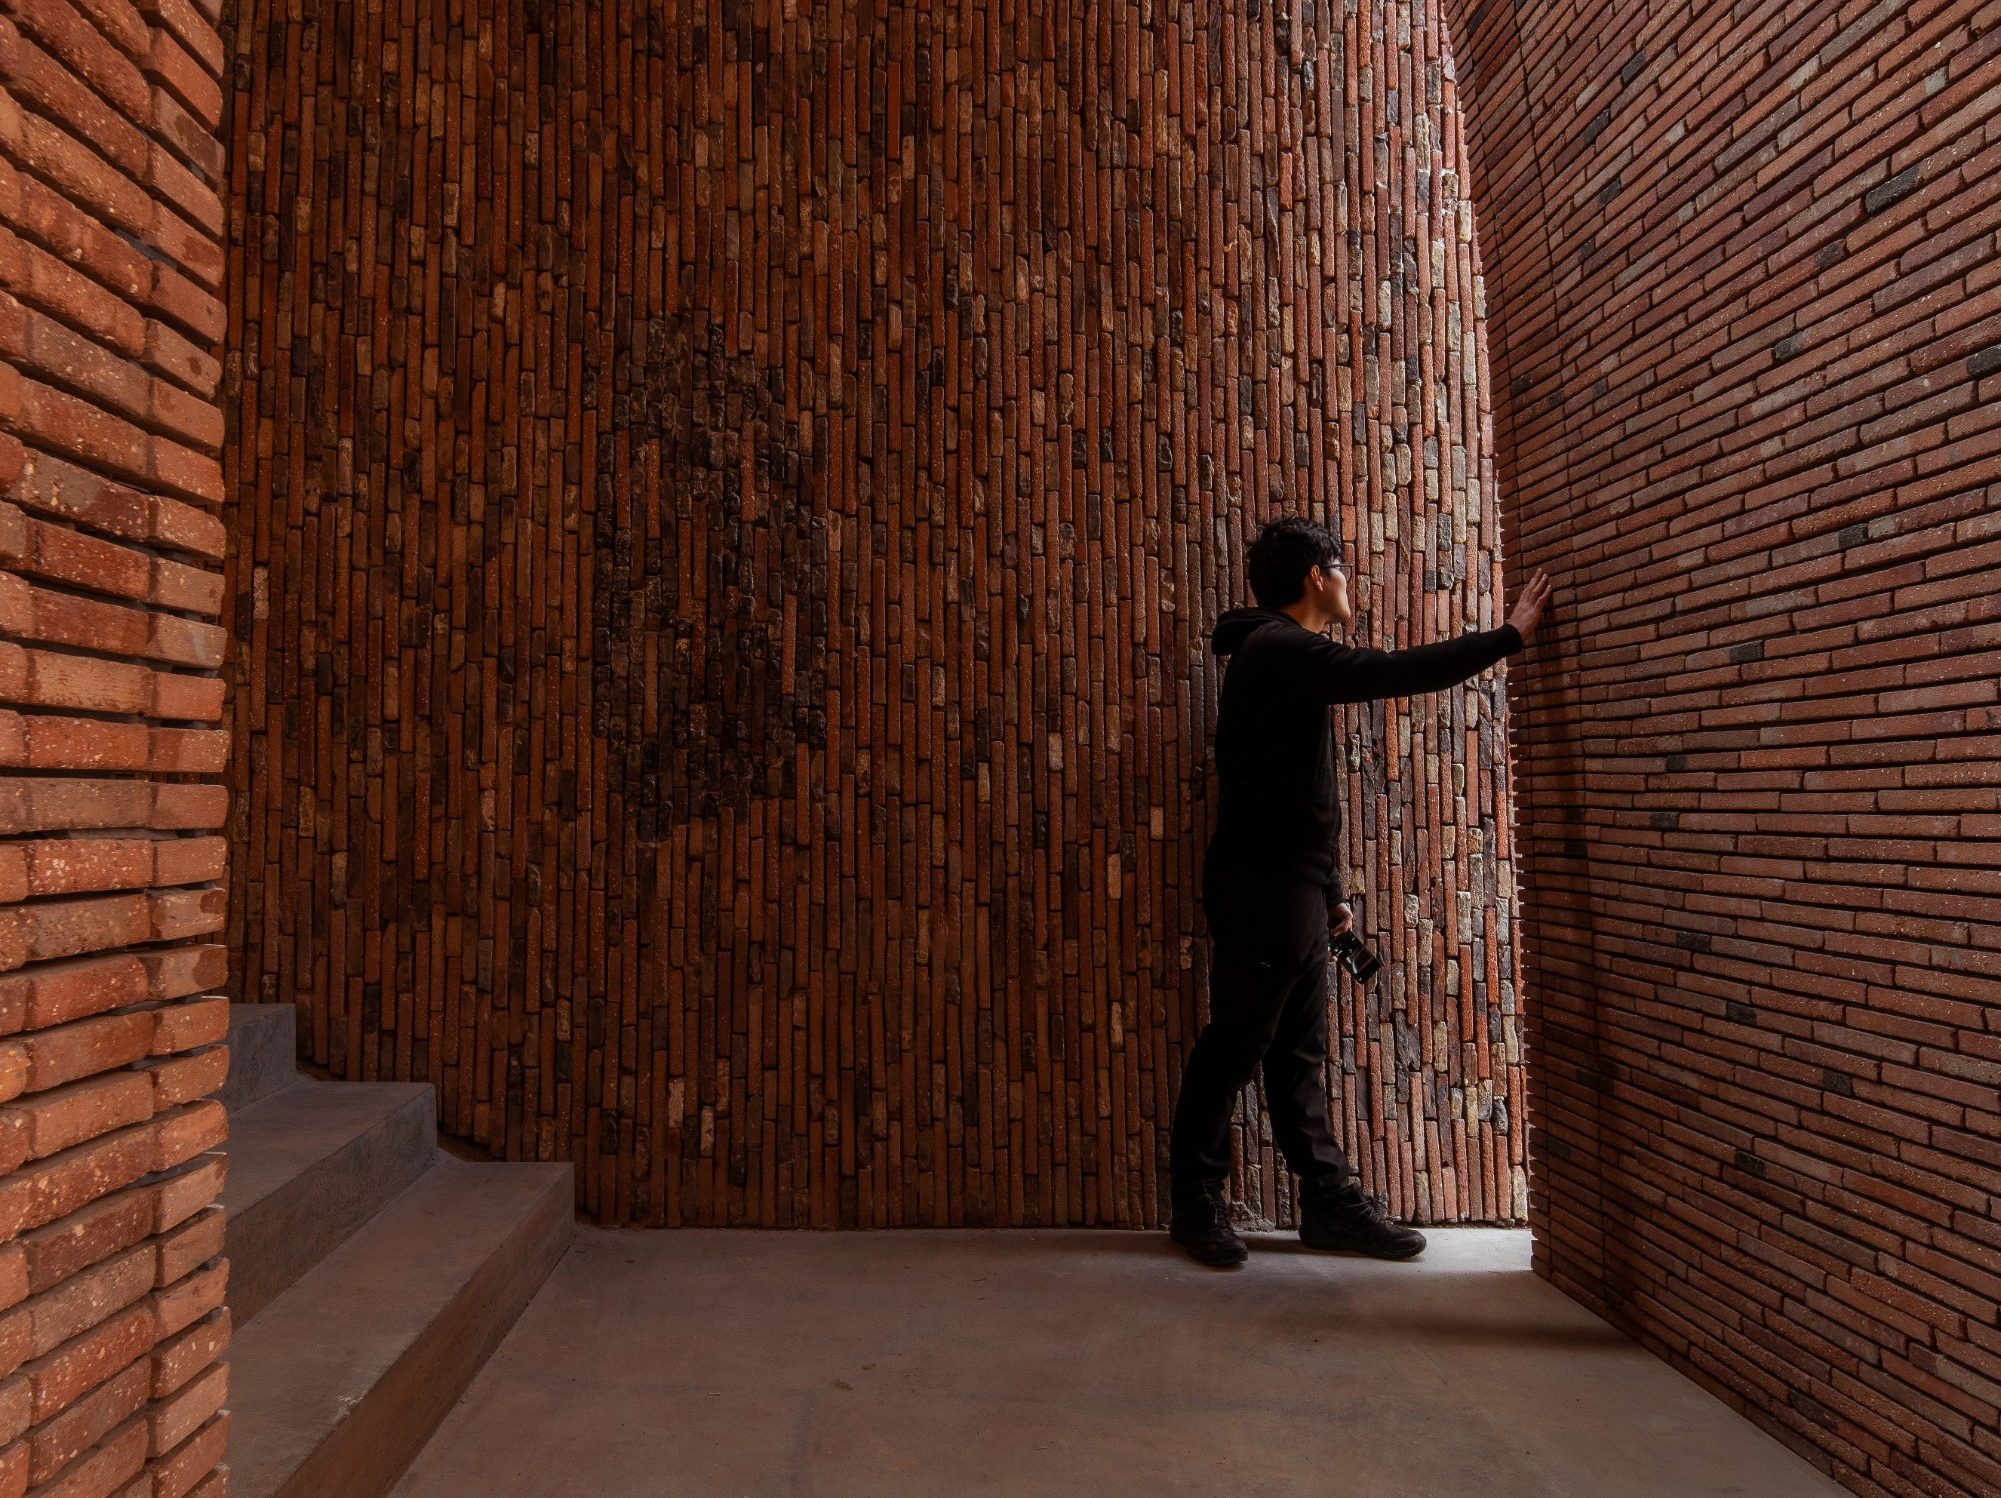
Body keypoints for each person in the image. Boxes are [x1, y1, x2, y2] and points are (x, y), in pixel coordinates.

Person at [1168, 517, 1553, 1268]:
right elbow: (1385, 672)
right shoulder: (1277, 647)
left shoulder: (1282, 656)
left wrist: (1328, 888)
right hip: (1261, 889)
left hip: (1292, 886)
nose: (1348, 582)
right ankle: (1194, 1200)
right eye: (1341, 568)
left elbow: (1290, 793)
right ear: (1316, 575)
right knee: (1238, 1043)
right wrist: (1507, 636)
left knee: (1295, 1052)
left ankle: (1326, 1202)